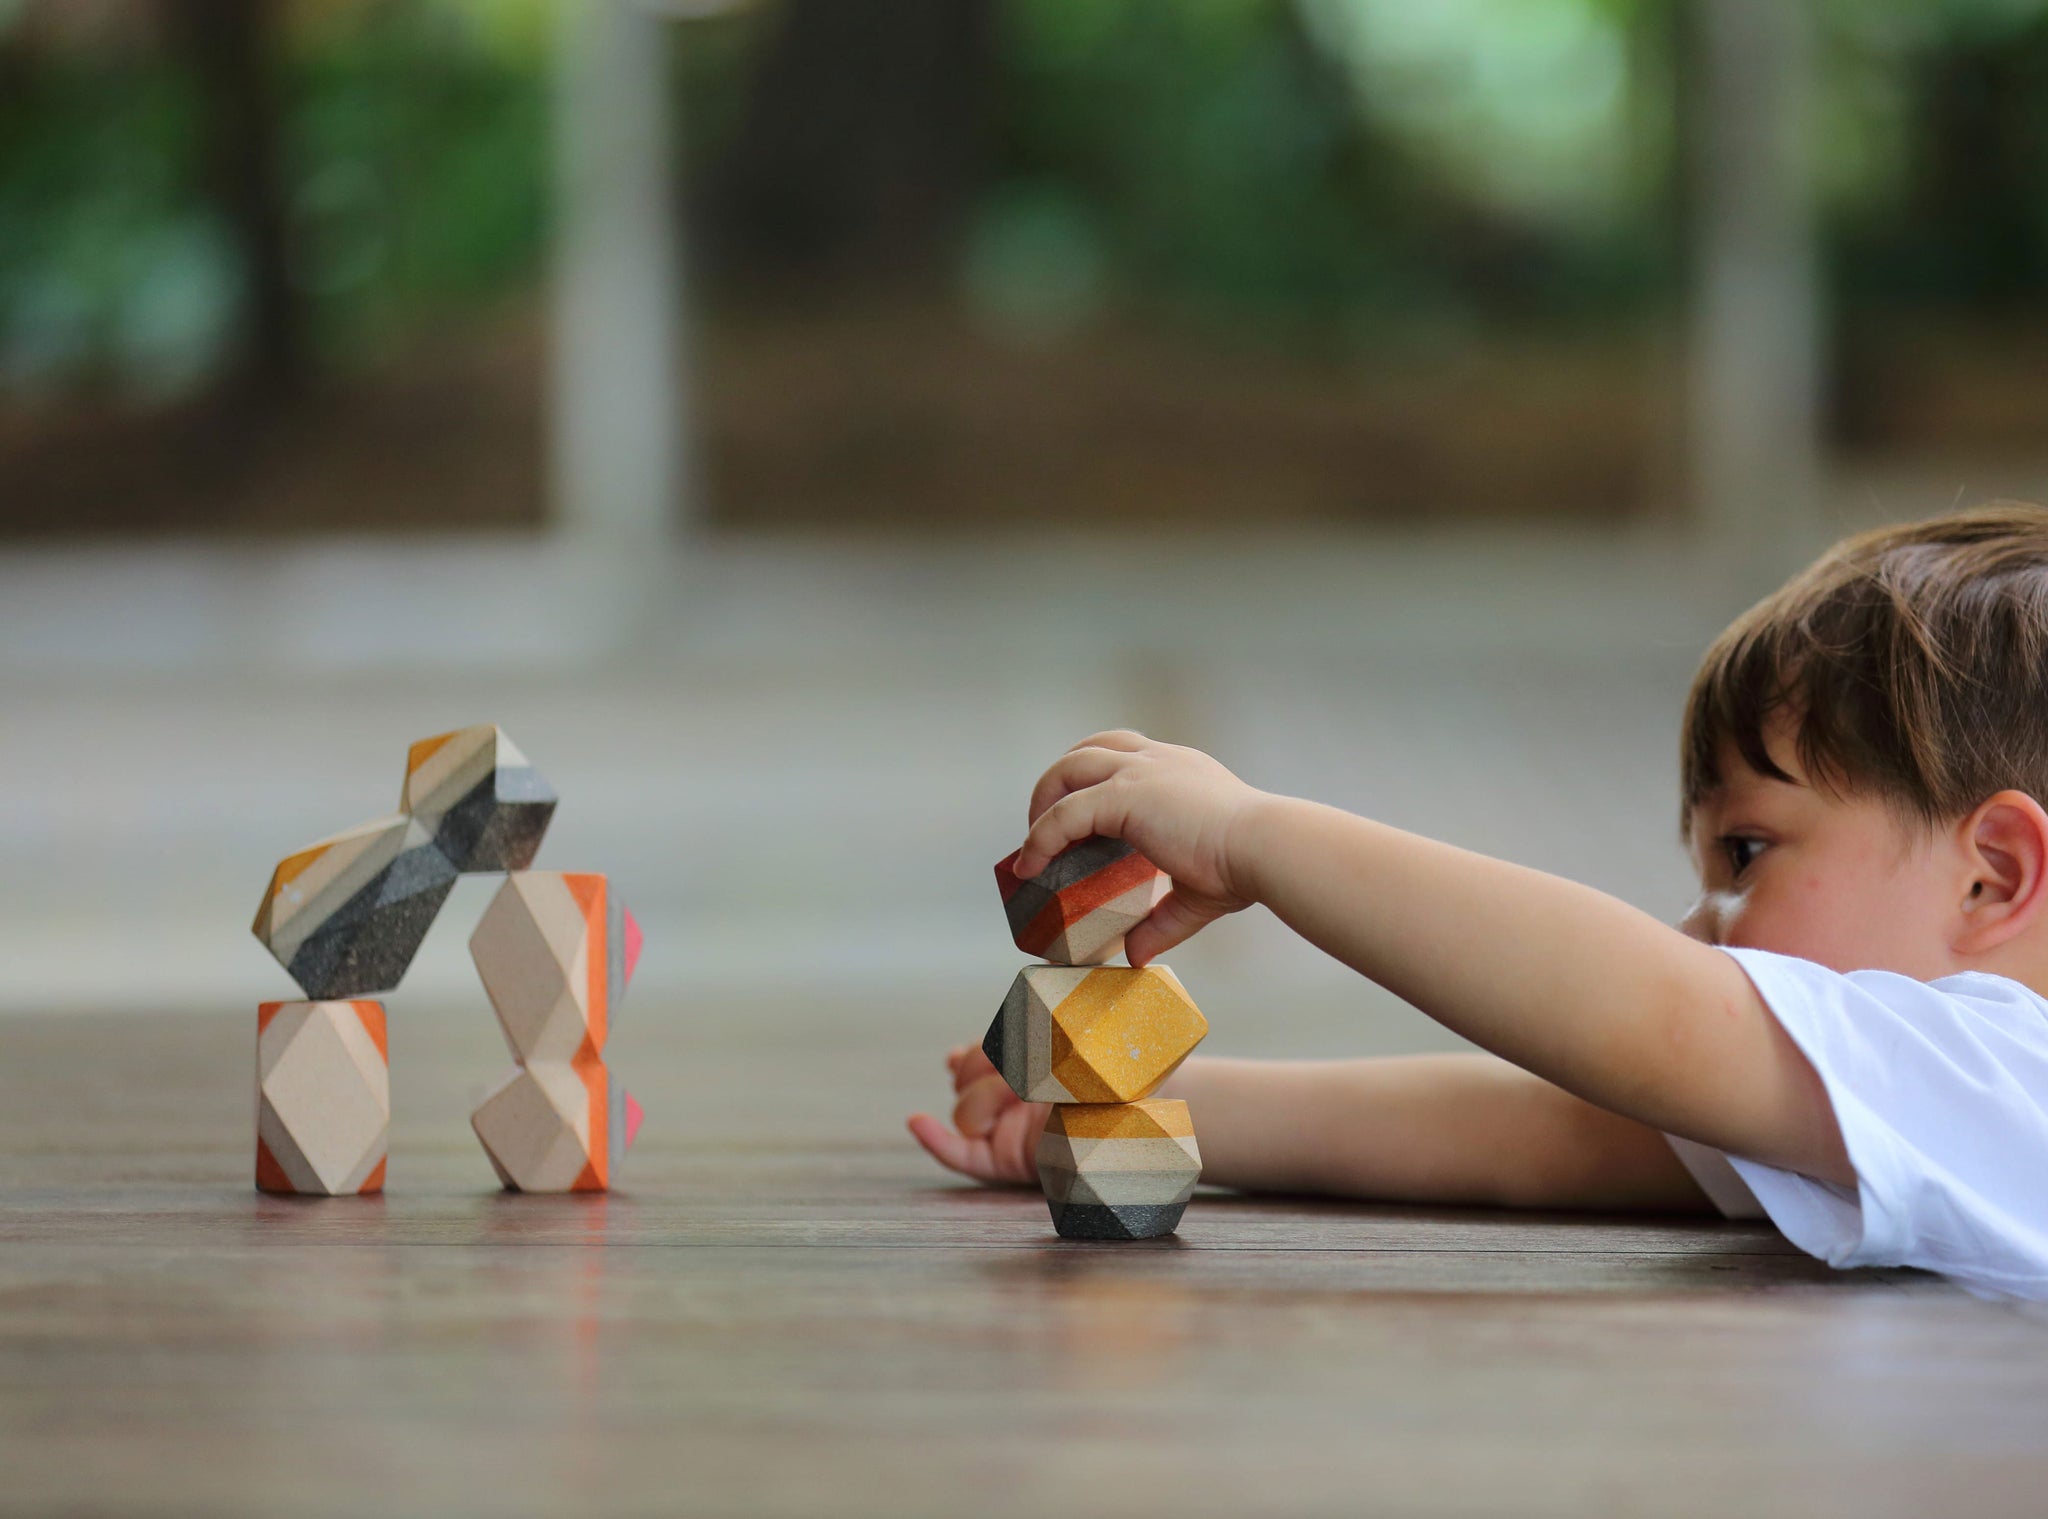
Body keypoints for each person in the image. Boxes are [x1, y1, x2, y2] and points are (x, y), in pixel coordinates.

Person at [909, 505, 2048, 1297]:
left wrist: (1255, 836)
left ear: (1990, 873)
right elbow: (1561, 1134)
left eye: (1745, 853)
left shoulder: (2004, 1073)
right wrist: (1148, 1108)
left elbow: (1653, 1021)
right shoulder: (1923, 1118)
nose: (1697, 926)